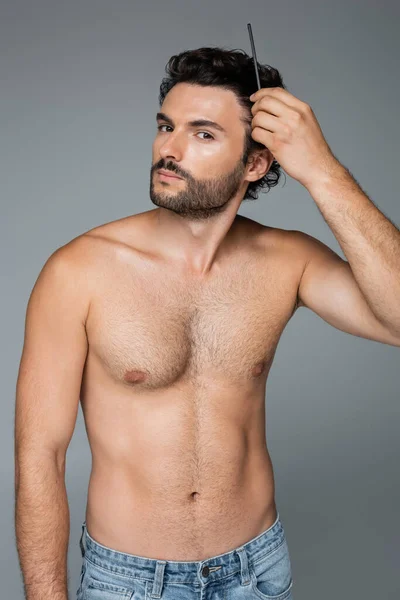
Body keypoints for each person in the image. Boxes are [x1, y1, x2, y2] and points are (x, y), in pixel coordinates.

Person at [14, 46, 400, 600]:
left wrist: (322, 171)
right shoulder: (78, 272)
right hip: (128, 581)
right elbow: (40, 458)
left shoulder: (286, 260)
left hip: (256, 569)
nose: (169, 149)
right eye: (166, 126)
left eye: (202, 134)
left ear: (256, 163)